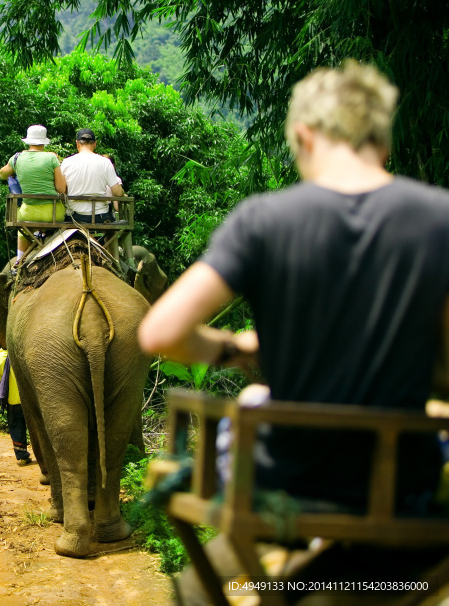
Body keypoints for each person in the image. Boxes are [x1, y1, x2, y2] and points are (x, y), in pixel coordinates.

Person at [139, 60, 449, 517]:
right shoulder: (438, 218)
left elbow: (159, 333)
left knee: (251, 403)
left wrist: (232, 347)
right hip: (404, 485)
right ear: (383, 143)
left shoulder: (262, 220)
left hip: (286, 481)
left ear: (303, 137)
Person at [0, 124, 68, 263]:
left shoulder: (17, 158)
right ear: (44, 142)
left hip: (28, 213)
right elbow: (61, 189)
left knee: (22, 229)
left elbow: (2, 175)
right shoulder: (51, 158)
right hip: (53, 213)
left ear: (28, 141)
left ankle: (18, 262)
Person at [61, 128, 125, 223]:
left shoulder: (66, 162)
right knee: (111, 229)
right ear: (95, 143)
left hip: (74, 217)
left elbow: (62, 190)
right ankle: (110, 238)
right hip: (101, 217)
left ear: (77, 143)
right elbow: (118, 193)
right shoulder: (105, 162)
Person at [0, 347, 32, 465]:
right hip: (28, 398)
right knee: (34, 427)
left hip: (12, 400)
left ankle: (22, 456)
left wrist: (2, 400)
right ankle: (44, 457)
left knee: (16, 426)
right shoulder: (23, 352)